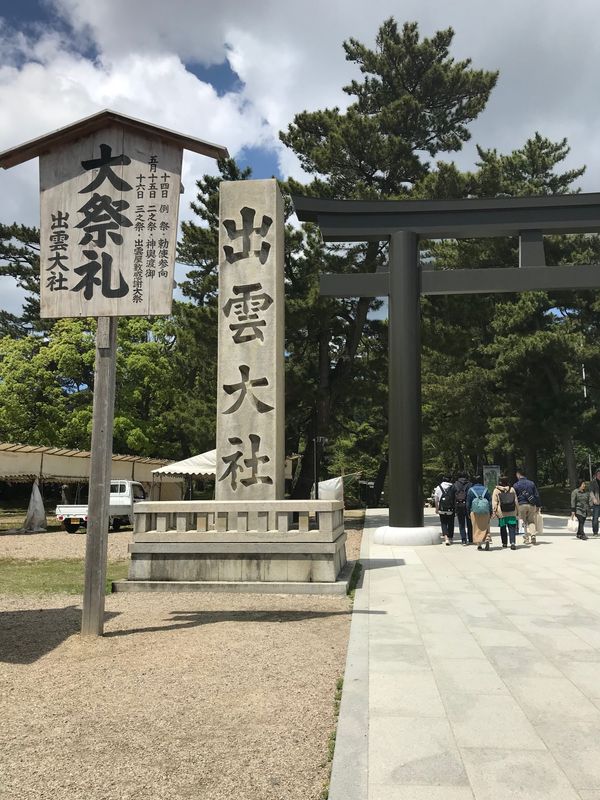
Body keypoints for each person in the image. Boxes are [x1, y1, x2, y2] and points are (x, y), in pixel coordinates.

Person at [513, 468, 541, 545]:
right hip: (531, 505)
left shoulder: (516, 485)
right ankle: (533, 535)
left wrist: (515, 508)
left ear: (518, 474)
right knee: (531, 521)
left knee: (523, 522)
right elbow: (536, 495)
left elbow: (514, 497)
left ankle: (526, 538)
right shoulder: (531, 483)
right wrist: (538, 505)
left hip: (521, 505)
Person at [492, 476, 519, 550]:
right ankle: (512, 542)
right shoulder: (512, 489)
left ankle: (504, 543)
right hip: (512, 511)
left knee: (503, 528)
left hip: (501, 513)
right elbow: (516, 501)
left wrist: (494, 511)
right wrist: (518, 511)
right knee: (512, 527)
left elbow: (494, 502)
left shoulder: (496, 490)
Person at [467, 475, 492, 551]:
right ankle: (487, 538)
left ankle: (479, 544)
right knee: (486, 526)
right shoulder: (486, 489)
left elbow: (468, 503)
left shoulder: (471, 490)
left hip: (475, 511)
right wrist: (490, 511)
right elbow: (490, 502)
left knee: (476, 527)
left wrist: (468, 512)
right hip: (485, 511)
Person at [434, 475, 455, 545]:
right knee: (451, 523)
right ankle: (450, 538)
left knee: (443, 523)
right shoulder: (453, 487)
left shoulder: (439, 487)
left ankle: (446, 538)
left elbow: (436, 499)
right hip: (451, 508)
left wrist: (436, 508)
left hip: (442, 508)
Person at [453, 472, 473, 545]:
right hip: (468, 505)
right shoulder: (470, 484)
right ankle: (470, 538)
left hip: (459, 505)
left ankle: (463, 540)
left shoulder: (455, 484)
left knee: (461, 523)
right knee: (469, 523)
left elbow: (453, 496)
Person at [589, 468, 600, 535]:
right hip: (596, 503)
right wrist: (593, 499)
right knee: (595, 518)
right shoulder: (593, 482)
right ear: (596, 475)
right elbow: (591, 492)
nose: (599, 475)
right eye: (598, 474)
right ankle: (595, 532)